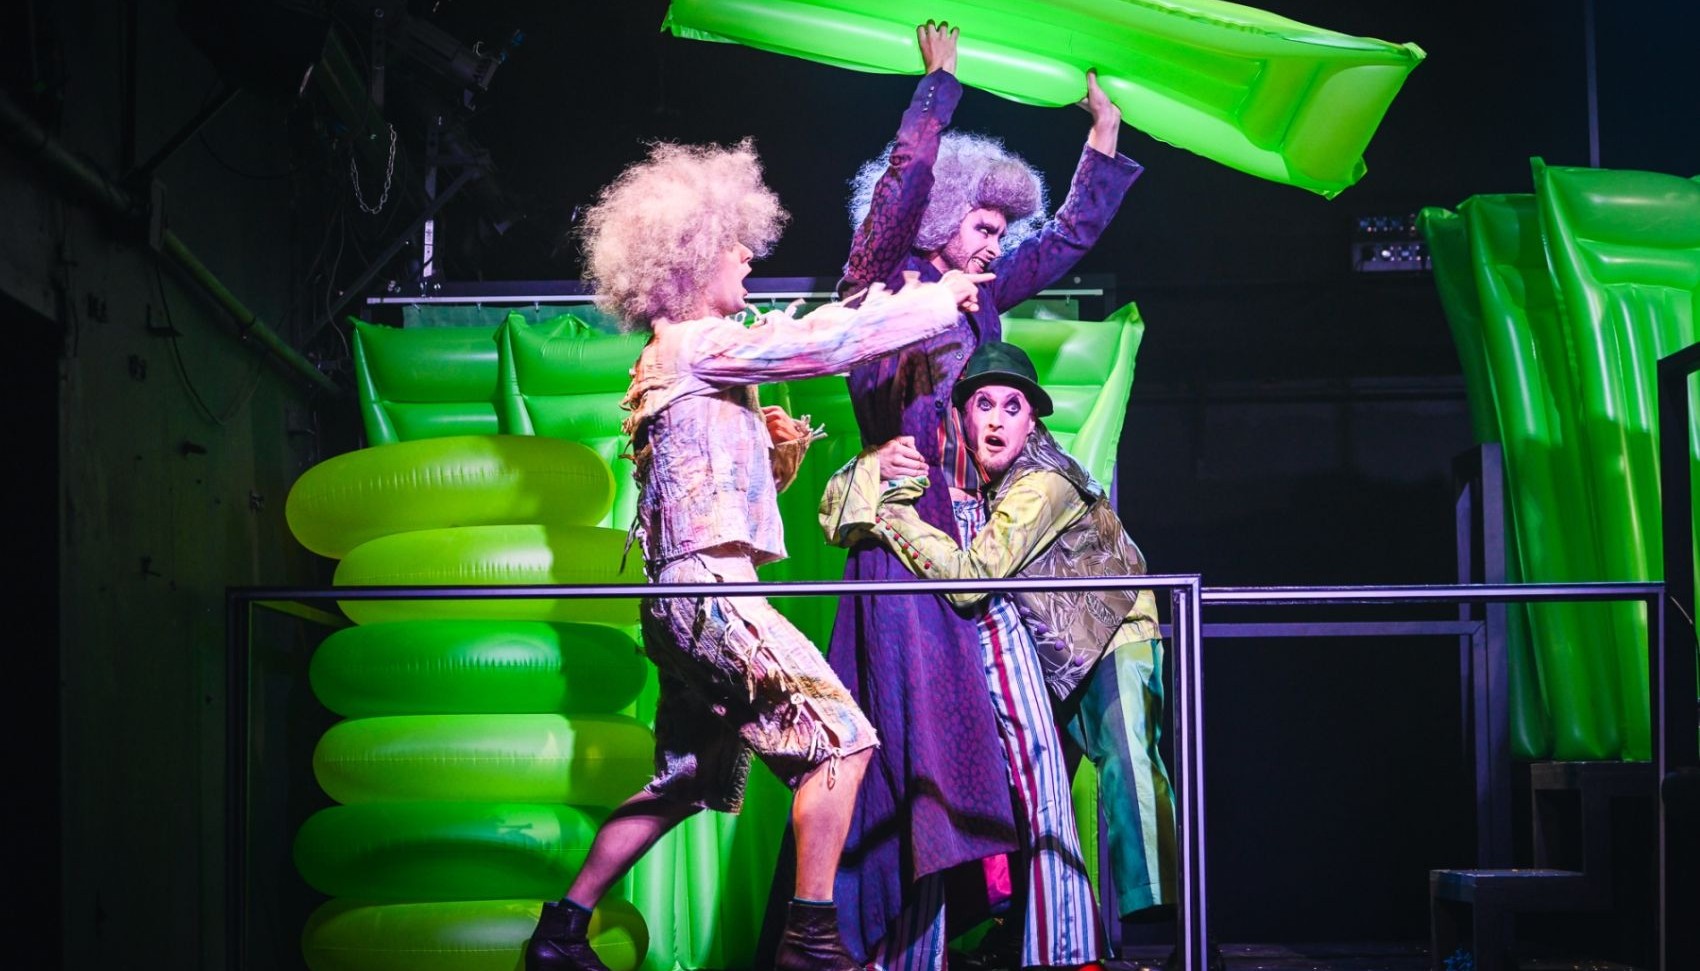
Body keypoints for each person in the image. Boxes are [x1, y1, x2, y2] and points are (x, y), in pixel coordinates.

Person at [521, 139, 991, 971]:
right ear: (691, 259)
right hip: (713, 592)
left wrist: (763, 442)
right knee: (843, 742)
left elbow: (706, 475)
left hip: (681, 598)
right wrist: (934, 301)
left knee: (685, 781)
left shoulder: (673, 359)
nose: (746, 255)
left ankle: (561, 931)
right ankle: (809, 939)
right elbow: (824, 343)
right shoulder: (698, 345)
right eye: (733, 243)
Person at [822, 19, 1145, 971]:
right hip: (900, 554)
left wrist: (1103, 136)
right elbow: (895, 197)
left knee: (994, 755)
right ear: (942, 220)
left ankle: (1036, 942)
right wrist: (938, 89)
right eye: (985, 228)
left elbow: (1068, 236)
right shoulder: (879, 287)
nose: (997, 246)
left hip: (971, 550)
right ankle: (891, 952)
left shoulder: (985, 295)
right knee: (912, 760)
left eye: (1003, 233)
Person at [820, 340, 1179, 965]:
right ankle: (1025, 930)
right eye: (983, 405)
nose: (994, 420)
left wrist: (893, 518)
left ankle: (1180, 931)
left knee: (1130, 772)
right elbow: (833, 517)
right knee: (1030, 795)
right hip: (1054, 662)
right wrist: (874, 465)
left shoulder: (1043, 482)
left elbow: (970, 578)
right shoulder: (983, 488)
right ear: (962, 417)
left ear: (1031, 422)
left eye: (1011, 408)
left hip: (1111, 638)